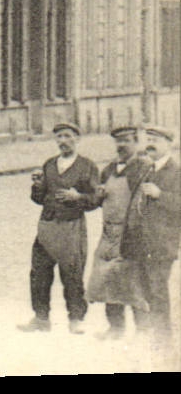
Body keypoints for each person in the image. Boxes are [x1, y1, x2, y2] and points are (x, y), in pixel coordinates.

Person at [19, 120, 100, 333]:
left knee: (72, 273)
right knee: (39, 272)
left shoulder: (87, 166)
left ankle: (75, 319)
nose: (63, 141)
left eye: (67, 136)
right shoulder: (49, 164)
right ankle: (41, 318)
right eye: (59, 137)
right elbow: (39, 198)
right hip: (47, 225)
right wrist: (37, 186)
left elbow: (96, 198)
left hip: (71, 226)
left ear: (77, 139)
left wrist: (78, 197)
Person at [87, 125, 150, 338]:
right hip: (108, 233)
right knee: (107, 280)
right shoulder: (110, 169)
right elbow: (96, 200)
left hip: (132, 233)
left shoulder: (143, 168)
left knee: (134, 281)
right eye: (118, 141)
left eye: (126, 141)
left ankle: (143, 330)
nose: (121, 145)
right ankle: (115, 328)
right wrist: (98, 194)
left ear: (136, 142)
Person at [124, 125, 180, 348]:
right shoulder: (148, 169)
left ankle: (164, 340)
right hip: (142, 242)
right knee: (146, 289)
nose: (150, 144)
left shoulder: (176, 172)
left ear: (169, 144)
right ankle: (155, 336)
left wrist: (161, 195)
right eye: (147, 139)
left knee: (158, 291)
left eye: (156, 140)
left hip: (162, 243)